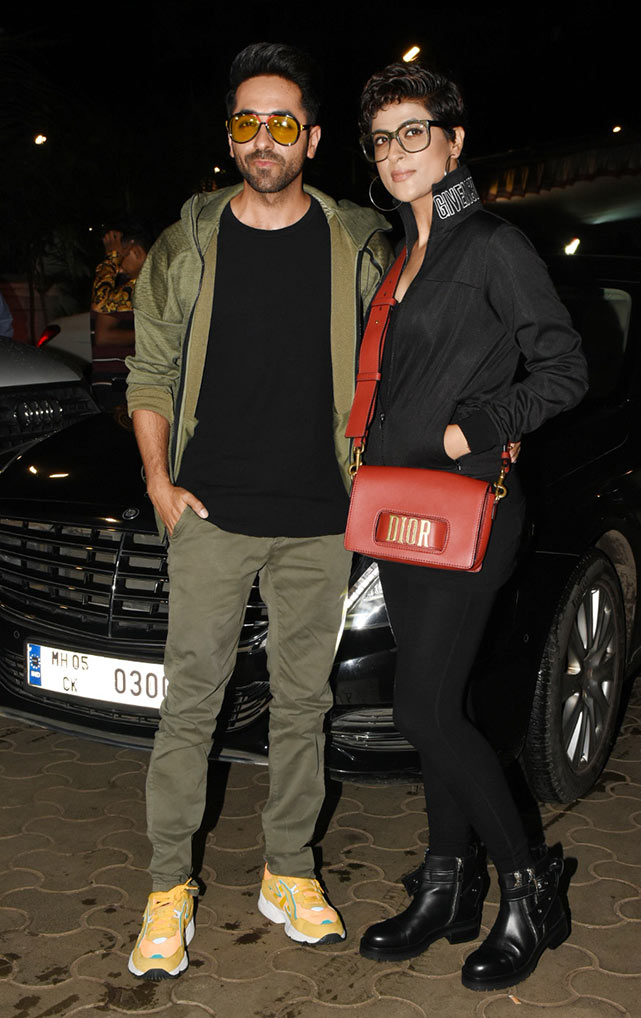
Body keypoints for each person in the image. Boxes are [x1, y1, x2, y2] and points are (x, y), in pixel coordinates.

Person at [125, 42, 392, 980]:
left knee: (303, 705)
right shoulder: (188, 244)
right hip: (210, 514)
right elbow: (149, 370)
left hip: (321, 516)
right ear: (230, 137)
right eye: (248, 122)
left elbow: (398, 360)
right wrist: (158, 482)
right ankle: (169, 886)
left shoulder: (359, 244)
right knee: (190, 706)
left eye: (283, 122)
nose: (264, 139)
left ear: (311, 139)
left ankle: (289, 870)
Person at [354, 63, 588, 992]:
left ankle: (532, 891)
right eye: (382, 138)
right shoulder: (401, 254)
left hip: (467, 510)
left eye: (415, 132)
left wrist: (477, 426)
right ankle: (447, 886)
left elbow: (563, 368)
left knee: (421, 710)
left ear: (454, 143)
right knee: (433, 705)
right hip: (400, 510)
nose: (396, 152)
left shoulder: (490, 243)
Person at [91, 225, 150, 400]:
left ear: (136, 251)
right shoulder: (128, 287)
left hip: (126, 379)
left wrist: (111, 257)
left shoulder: (150, 284)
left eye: (122, 257)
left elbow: (101, 303)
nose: (119, 269)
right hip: (117, 380)